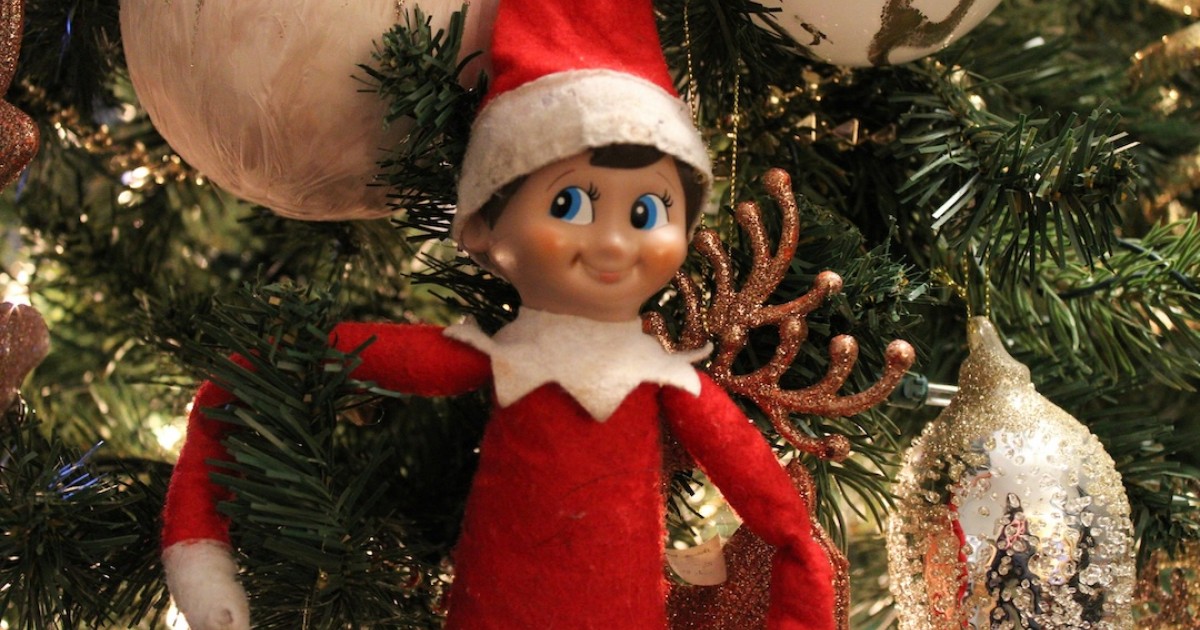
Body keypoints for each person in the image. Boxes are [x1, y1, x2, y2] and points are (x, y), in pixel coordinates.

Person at [160, 0, 836, 628]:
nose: (612, 242)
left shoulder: (666, 383)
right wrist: (265, 370)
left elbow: (781, 523)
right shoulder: (506, 360)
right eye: (570, 204)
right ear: (484, 228)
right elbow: (297, 359)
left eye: (646, 210)